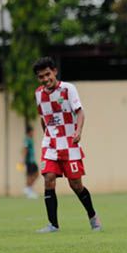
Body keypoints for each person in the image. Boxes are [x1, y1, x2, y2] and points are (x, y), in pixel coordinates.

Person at [33, 57, 102, 232]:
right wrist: (47, 136)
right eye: (41, 76)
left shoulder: (68, 89)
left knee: (75, 184)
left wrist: (78, 131)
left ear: (54, 72)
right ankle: (53, 225)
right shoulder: (38, 94)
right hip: (50, 144)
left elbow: (80, 112)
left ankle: (93, 217)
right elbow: (43, 118)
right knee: (48, 179)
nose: (45, 79)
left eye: (48, 74)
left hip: (69, 143)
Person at [22, 125, 39, 198]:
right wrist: (23, 160)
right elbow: (25, 149)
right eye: (32, 131)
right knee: (31, 175)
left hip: (32, 160)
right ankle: (28, 189)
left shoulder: (30, 139)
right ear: (29, 132)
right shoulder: (27, 139)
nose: (33, 133)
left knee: (35, 174)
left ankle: (29, 189)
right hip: (29, 160)